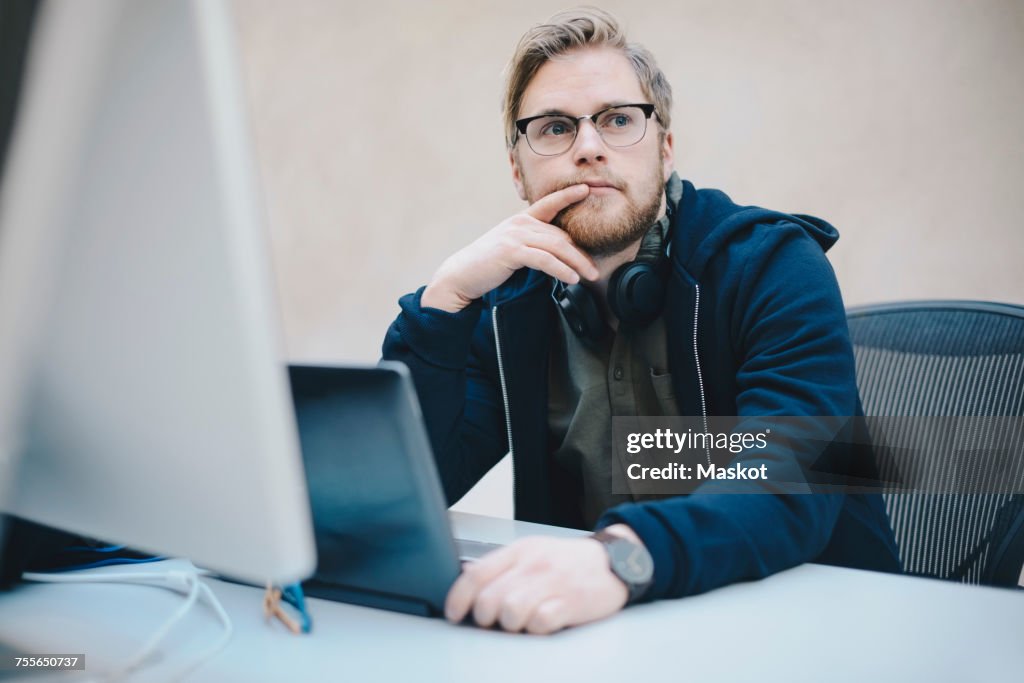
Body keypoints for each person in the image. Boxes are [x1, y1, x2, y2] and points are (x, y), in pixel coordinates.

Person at [382, 7, 899, 634]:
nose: (589, 147)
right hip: (610, 637)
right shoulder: (508, 305)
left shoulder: (772, 266)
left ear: (665, 147)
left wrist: (619, 560)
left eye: (618, 120)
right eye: (553, 128)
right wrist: (444, 302)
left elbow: (790, 475)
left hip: (809, 627)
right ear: (518, 172)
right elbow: (409, 490)